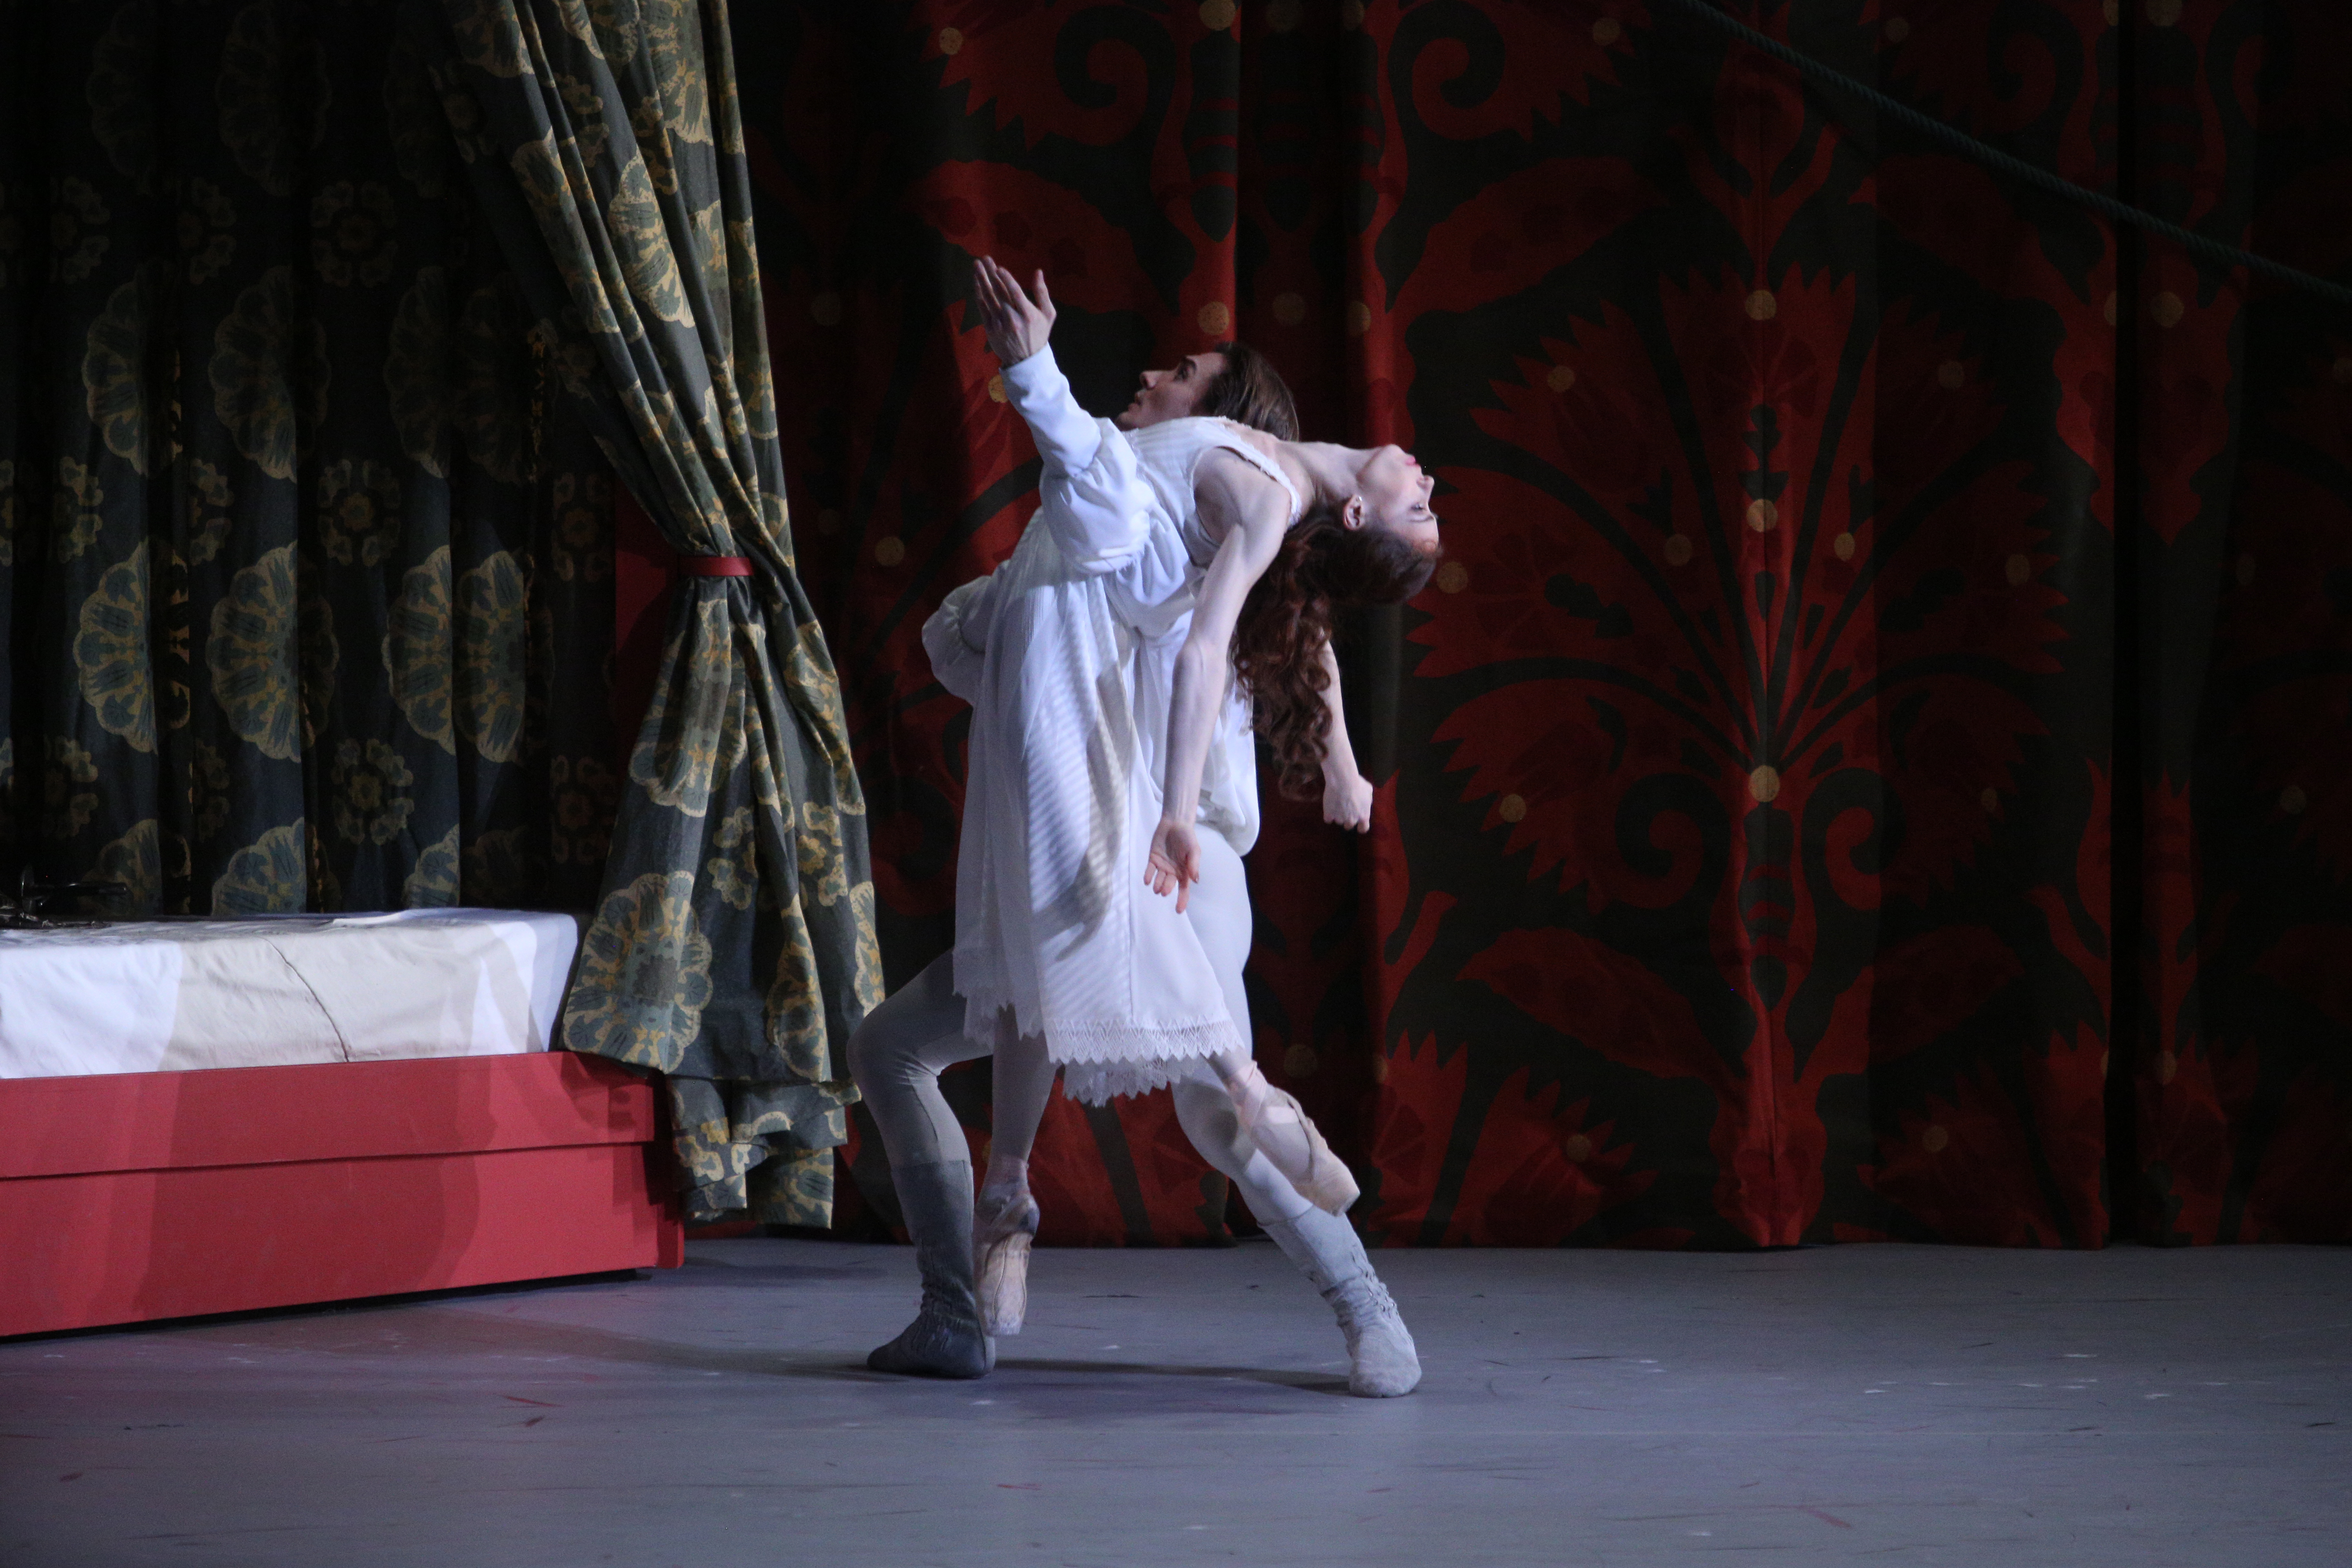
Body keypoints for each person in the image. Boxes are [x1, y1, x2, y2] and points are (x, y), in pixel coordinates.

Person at [847, 258, 1436, 1396]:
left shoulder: (1188, 516)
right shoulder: (1182, 533)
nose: (1159, 381)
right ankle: (959, 1298)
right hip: (1096, 846)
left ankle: (1366, 1308)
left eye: (1185, 381)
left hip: (1175, 864)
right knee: (904, 1042)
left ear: (1224, 424)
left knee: (1217, 1102)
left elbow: (1200, 572)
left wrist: (1030, 367)